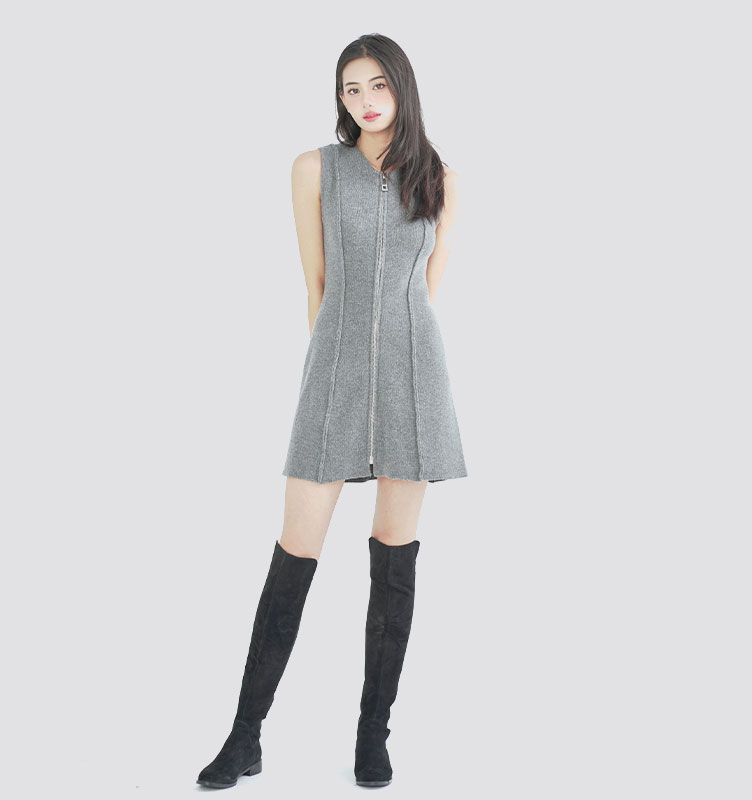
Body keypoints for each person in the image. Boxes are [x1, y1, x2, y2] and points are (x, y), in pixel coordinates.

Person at [196, 33, 467, 790]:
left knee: (395, 558)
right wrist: (337, 364)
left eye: (378, 84)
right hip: (334, 372)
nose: (365, 99)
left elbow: (427, 290)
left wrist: (395, 353)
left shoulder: (442, 177)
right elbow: (314, 282)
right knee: (294, 555)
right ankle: (244, 736)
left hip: (414, 377)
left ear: (402, 87)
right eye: (351, 88)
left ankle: (372, 738)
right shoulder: (314, 168)